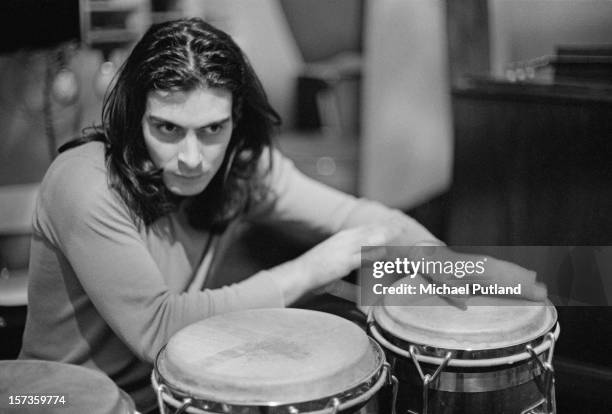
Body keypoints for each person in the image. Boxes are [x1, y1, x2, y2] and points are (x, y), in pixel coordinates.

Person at [19, 18, 545, 413]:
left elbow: (363, 217)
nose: (192, 158)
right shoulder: (87, 183)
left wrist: (465, 273)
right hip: (61, 401)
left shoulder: (242, 169)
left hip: (174, 396)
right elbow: (160, 328)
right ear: (134, 117)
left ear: (236, 120)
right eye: (168, 129)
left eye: (212, 130)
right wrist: (320, 265)